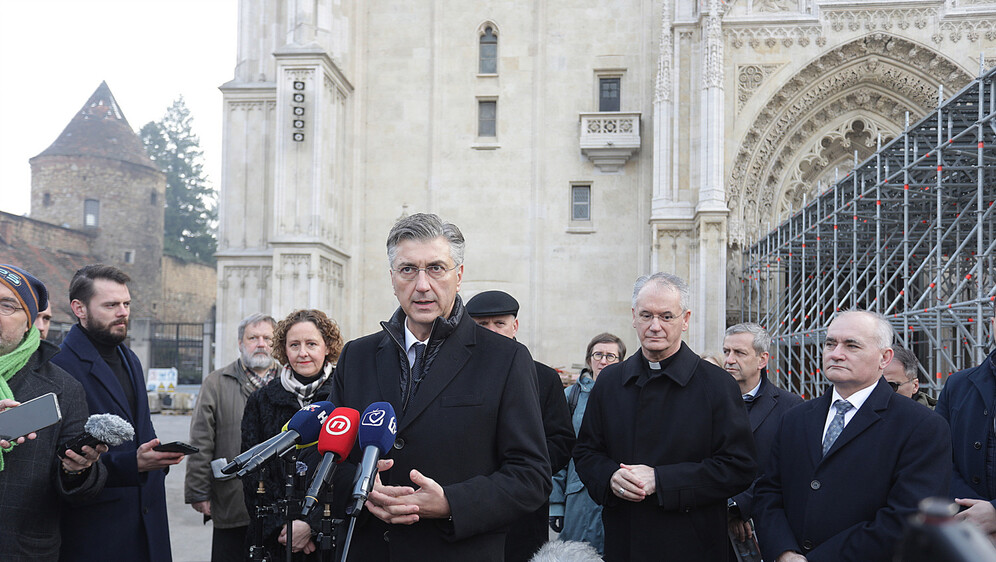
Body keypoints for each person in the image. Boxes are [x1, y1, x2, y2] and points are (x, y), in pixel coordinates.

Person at [330, 213, 550, 561]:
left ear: (458, 275)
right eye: (408, 270)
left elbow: (531, 476)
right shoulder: (356, 356)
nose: (421, 284)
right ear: (392, 278)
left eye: (435, 268)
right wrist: (361, 487)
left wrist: (451, 503)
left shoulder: (505, 359)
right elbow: (327, 457)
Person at [573, 272, 756, 562]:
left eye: (666, 316)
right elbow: (586, 452)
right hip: (626, 541)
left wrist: (662, 480)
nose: (655, 326)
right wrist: (610, 477)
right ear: (634, 316)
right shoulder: (610, 382)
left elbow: (739, 466)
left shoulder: (717, 384)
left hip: (693, 544)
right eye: (646, 315)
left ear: (685, 319)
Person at [754, 310, 952, 562]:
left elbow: (908, 518)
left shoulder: (922, 426)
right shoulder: (796, 418)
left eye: (852, 345)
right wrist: (784, 551)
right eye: (830, 343)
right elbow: (769, 492)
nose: (836, 353)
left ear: (884, 358)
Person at [52, 264, 183, 562]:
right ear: (79, 308)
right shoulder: (59, 367)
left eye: (126, 304)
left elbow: (142, 431)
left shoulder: (130, 357)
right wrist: (132, 464)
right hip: (98, 534)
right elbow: (58, 463)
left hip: (149, 527)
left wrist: (158, 458)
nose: (123, 312)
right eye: (111, 305)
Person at [0, 264, 107, 561]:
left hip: (20, 550)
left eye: (7, 305)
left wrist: (78, 469)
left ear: (28, 324)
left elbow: (83, 488)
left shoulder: (62, 387)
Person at [465, 290, 575, 562]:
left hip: (523, 510)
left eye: (499, 323)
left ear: (515, 326)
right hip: (468, 505)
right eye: (482, 325)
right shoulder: (454, 374)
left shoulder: (545, 378)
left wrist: (520, 470)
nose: (492, 331)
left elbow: (561, 441)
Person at [241, 308, 343, 560]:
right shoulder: (261, 400)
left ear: (328, 347)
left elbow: (348, 468)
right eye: (294, 344)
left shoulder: (343, 398)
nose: (303, 353)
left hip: (328, 535)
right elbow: (253, 472)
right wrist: (283, 526)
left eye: (311, 344)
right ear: (283, 349)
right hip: (276, 538)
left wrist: (311, 525)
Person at [186, 313, 279, 562]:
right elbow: (201, 440)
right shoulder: (216, 383)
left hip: (280, 505)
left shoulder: (287, 382)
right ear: (240, 343)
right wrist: (198, 492)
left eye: (267, 338)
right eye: (253, 338)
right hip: (232, 501)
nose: (261, 344)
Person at [722, 322, 803, 556]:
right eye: (726, 351)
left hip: (763, 528)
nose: (729, 360)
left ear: (762, 359)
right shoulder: (705, 401)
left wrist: (738, 507)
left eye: (739, 353)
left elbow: (784, 470)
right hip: (708, 525)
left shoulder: (791, 407)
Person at [549, 332, 627, 555]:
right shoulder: (570, 396)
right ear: (589, 359)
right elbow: (559, 452)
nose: (603, 361)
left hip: (618, 494)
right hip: (578, 498)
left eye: (611, 356)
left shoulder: (630, 396)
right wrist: (556, 503)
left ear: (621, 361)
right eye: (598, 354)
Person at [935, 299, 996, 541]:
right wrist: (971, 512)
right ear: (992, 324)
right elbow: (937, 458)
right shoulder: (958, 385)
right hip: (967, 534)